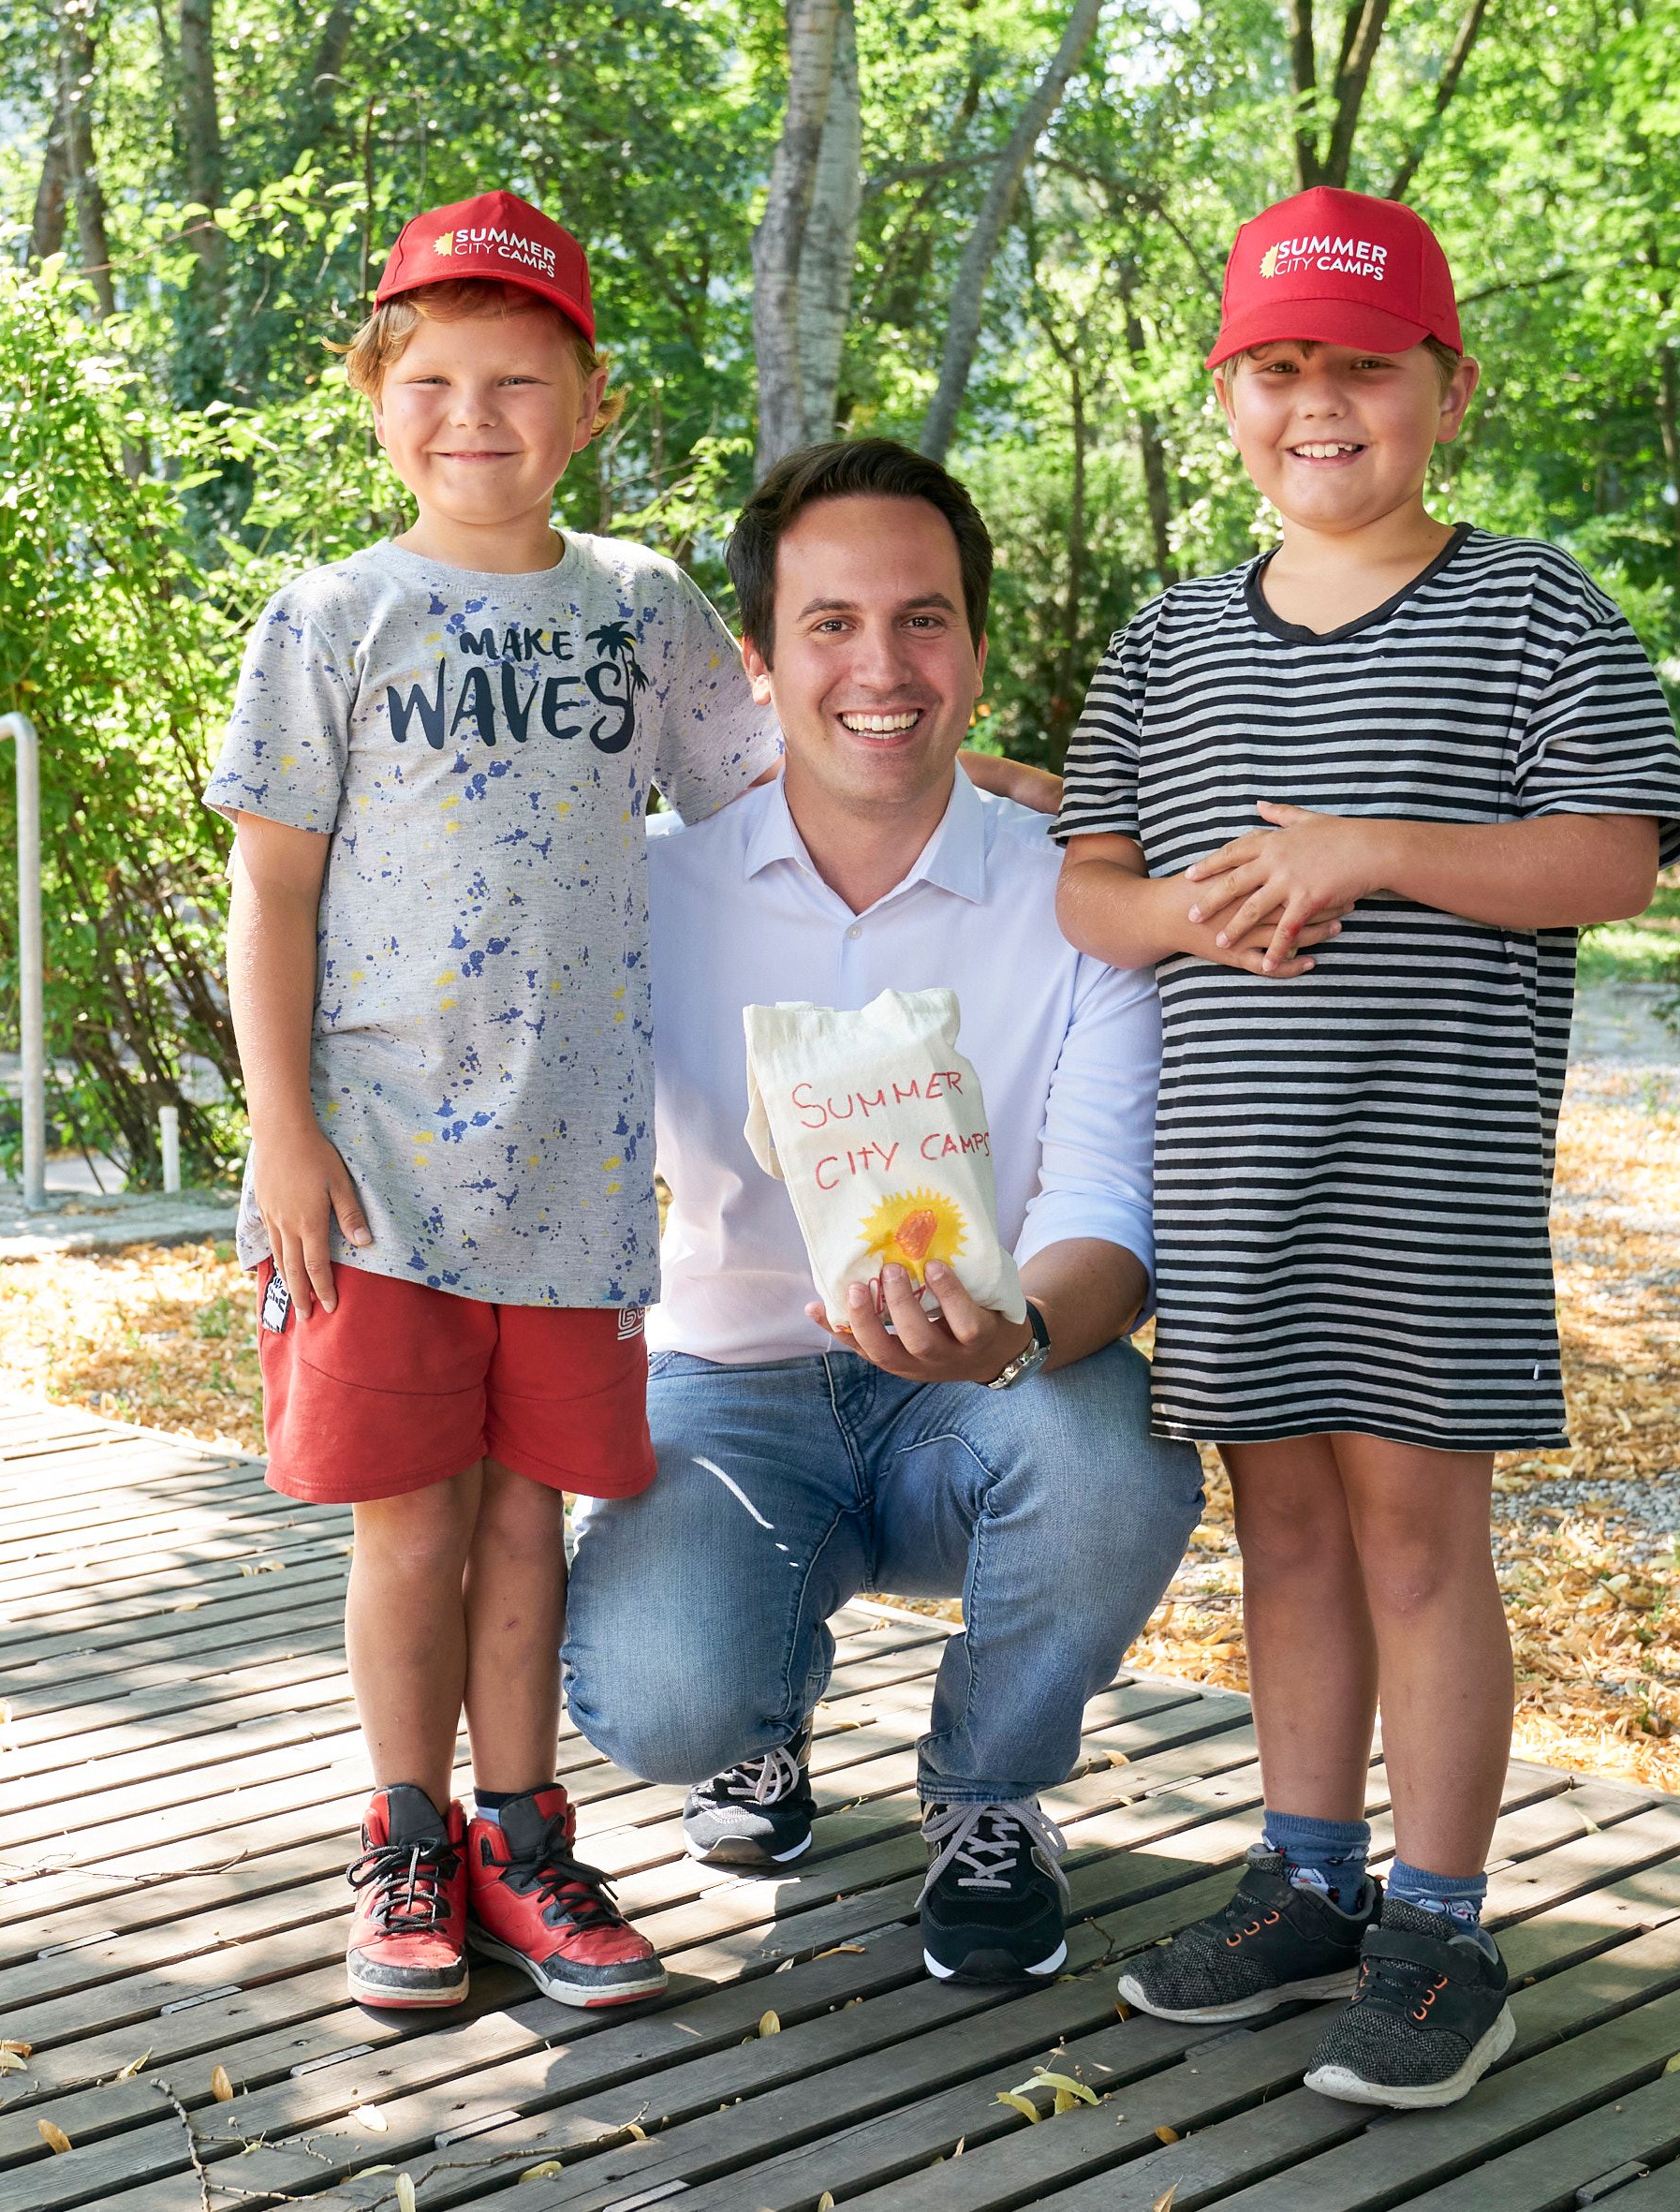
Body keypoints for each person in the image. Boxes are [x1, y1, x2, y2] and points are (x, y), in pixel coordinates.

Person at [1054, 188, 1680, 2107]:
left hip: (1428, 1185)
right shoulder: (1165, 641)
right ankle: (1308, 1877)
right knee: (1284, 1534)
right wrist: (1189, 913)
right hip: (1236, 1184)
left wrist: (1371, 850)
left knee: (1418, 1540)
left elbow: (1613, 856)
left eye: (1363, 365)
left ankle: (1440, 1925)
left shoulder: (1532, 610)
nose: (1317, 403)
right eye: (1275, 367)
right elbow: (1091, 887)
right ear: (1224, 396)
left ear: (1448, 388)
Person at [207, 189, 776, 2013]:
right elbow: (270, 893)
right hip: (370, 1169)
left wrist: (989, 795)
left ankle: (523, 1841)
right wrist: (281, 1130)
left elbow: (773, 803)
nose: (474, 417)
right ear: (372, 393)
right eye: (433, 379)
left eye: (519, 380)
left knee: (528, 1516)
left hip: (575, 1167)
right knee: (411, 1518)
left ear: (591, 402)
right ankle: (403, 1836)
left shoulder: (642, 607)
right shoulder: (332, 617)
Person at [562, 436, 1205, 1986]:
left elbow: (1111, 1205)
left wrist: (1015, 1333)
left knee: (1119, 1453)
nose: (881, 666)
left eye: (923, 619)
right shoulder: (646, 890)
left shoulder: (1076, 896)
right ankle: (755, 1717)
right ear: (760, 660)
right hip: (731, 1388)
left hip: (989, 1392)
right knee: (657, 1693)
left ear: (977, 650)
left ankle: (988, 1791)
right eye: (831, 624)